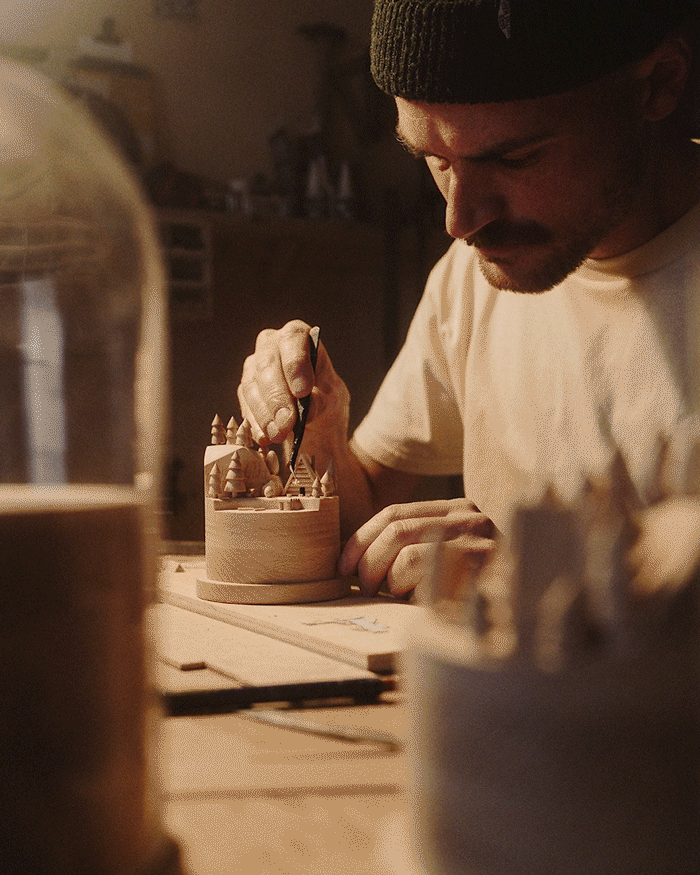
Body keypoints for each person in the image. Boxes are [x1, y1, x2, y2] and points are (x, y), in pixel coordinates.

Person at [238, 0, 700, 597]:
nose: (461, 219)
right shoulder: (471, 278)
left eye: (514, 158)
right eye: (434, 159)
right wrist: (320, 433)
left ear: (658, 85)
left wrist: (554, 582)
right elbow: (369, 503)